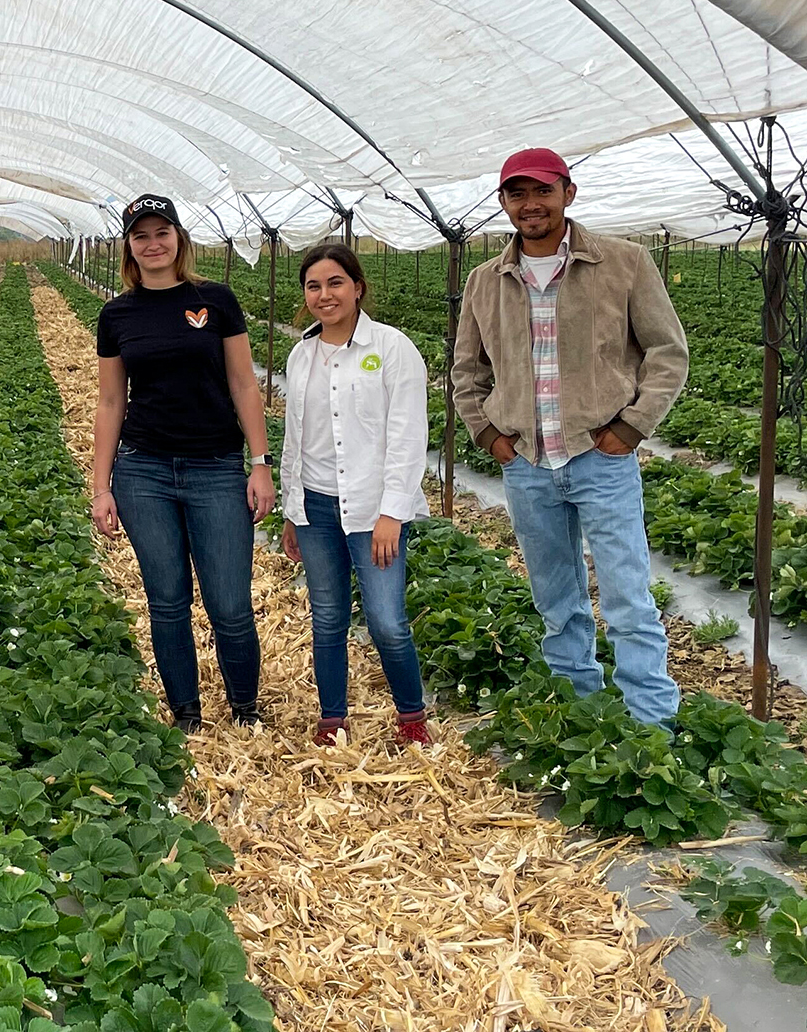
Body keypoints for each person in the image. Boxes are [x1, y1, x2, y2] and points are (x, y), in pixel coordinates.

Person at [452, 148, 688, 727]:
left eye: (542, 192)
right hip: (527, 464)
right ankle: (579, 711)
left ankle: (651, 724)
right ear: (504, 203)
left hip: (598, 458)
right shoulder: (486, 281)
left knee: (628, 597)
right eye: (517, 194)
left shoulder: (624, 263)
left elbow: (667, 352)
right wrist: (488, 434)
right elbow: (466, 371)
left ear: (568, 193)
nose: (530, 205)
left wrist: (631, 427)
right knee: (557, 601)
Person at [91, 194, 273, 733]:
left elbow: (244, 383)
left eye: (161, 232)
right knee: (167, 601)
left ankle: (245, 710)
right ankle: (187, 715)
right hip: (143, 471)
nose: (153, 243)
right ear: (129, 246)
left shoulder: (215, 301)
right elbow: (110, 401)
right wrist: (100, 486)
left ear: (179, 239)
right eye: (141, 235)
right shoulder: (117, 314)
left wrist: (259, 462)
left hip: (215, 467)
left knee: (230, 604)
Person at [278, 244, 431, 746]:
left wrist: (392, 512)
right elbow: (294, 438)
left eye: (336, 283)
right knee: (327, 616)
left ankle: (411, 717)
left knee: (387, 621)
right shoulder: (301, 353)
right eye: (314, 286)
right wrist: (291, 508)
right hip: (315, 506)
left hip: (371, 509)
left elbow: (409, 438)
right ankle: (332, 717)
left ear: (358, 286)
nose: (325, 295)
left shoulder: (391, 348)